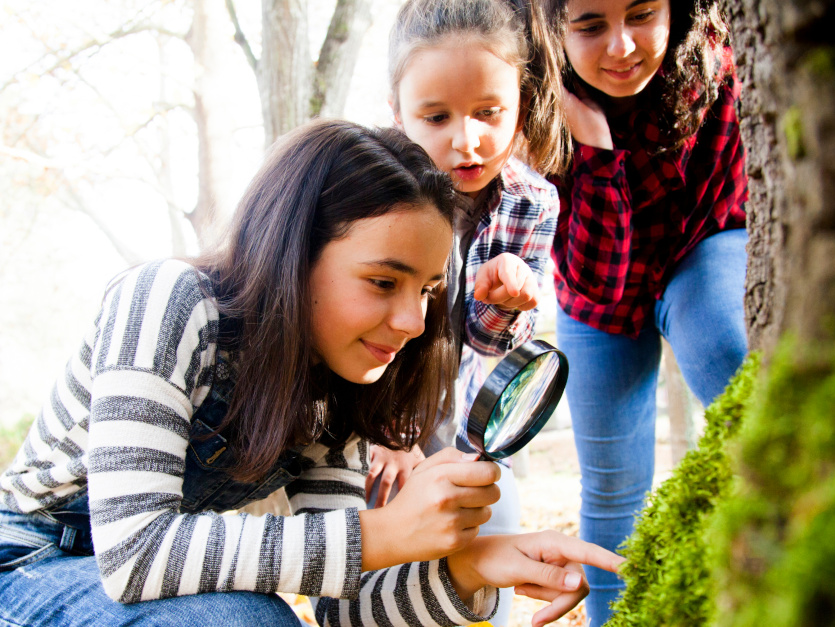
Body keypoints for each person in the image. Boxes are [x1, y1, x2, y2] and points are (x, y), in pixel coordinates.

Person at [0, 119, 623, 627]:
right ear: (293, 256)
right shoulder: (167, 301)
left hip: (137, 590)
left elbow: (344, 611)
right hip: (28, 562)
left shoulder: (335, 387)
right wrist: (378, 534)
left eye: (429, 290)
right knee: (242, 623)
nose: (412, 321)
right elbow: (134, 552)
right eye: (383, 281)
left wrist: (469, 568)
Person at [540, 0, 749, 622]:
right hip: (596, 297)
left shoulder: (713, 66)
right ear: (555, 29)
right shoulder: (534, 101)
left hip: (700, 245)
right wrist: (595, 149)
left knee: (722, 342)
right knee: (611, 491)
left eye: (641, 15)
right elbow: (599, 283)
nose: (622, 46)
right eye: (590, 25)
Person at [369, 1, 569, 624]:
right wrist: (391, 431)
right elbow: (363, 329)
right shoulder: (374, 196)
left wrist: (505, 305)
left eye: (489, 112)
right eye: (436, 116)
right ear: (398, 116)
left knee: (490, 525)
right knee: (388, 536)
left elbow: (492, 345)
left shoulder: (531, 202)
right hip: (379, 405)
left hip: (470, 409)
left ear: (520, 100)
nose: (467, 139)